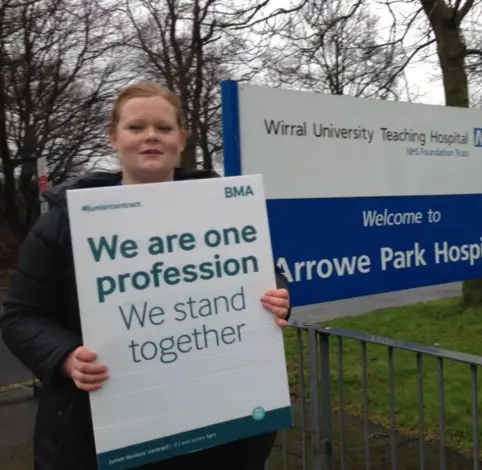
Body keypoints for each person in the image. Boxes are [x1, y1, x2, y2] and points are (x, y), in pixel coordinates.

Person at [0, 81, 292, 470]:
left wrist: (279, 296)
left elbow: (266, 277)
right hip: (101, 434)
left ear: (181, 139)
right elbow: (20, 317)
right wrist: (65, 357)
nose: (150, 136)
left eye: (164, 127)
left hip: (220, 433)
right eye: (136, 127)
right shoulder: (64, 223)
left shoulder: (225, 211)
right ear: (113, 138)